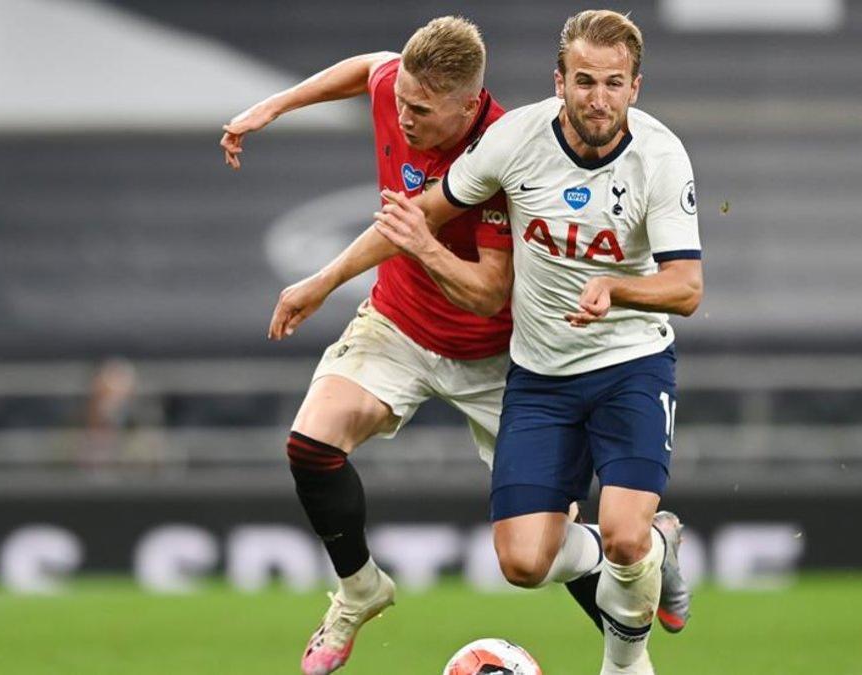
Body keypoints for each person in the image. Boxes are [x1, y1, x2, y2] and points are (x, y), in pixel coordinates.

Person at [221, 16, 688, 675]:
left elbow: (488, 294)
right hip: (398, 324)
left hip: (495, 356)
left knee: (547, 549)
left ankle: (640, 590)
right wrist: (271, 108)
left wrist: (419, 245)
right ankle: (359, 591)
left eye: (422, 109)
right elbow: (367, 67)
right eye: (402, 101)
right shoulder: (397, 87)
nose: (403, 117)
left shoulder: (502, 153)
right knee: (311, 444)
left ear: (468, 105)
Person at [372, 10, 702, 674]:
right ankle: (660, 548)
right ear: (560, 81)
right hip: (541, 374)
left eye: (613, 83)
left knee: (624, 532)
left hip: (630, 364)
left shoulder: (661, 156)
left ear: (635, 86)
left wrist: (618, 287)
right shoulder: (516, 138)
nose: (598, 99)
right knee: (523, 561)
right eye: (584, 81)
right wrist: (319, 284)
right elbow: (419, 214)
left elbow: (686, 287)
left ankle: (624, 663)